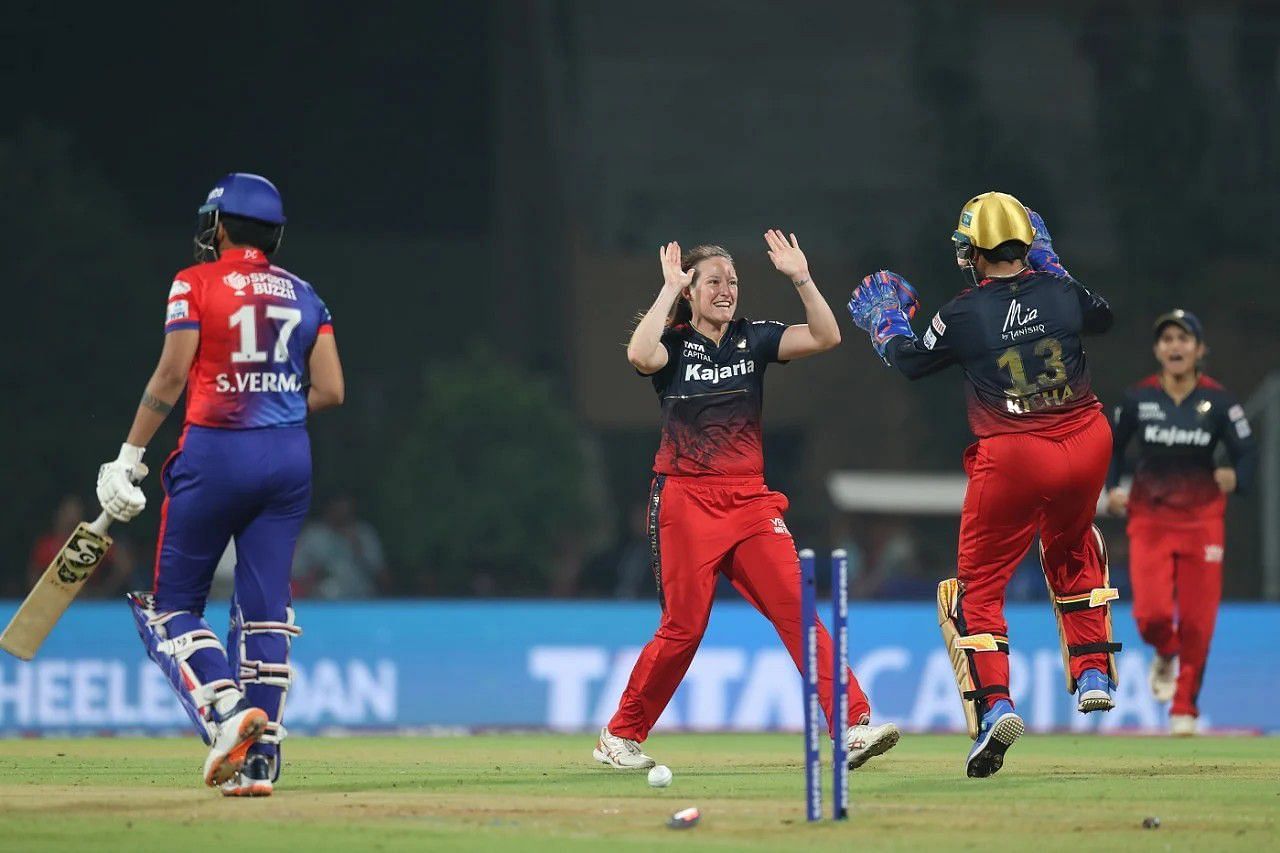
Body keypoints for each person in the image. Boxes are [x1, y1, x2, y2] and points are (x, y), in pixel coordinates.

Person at [594, 232, 901, 771]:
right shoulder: (674, 344)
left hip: (751, 503)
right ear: (691, 289)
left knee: (801, 613)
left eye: (732, 281)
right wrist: (669, 290)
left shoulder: (753, 338)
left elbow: (826, 336)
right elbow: (639, 355)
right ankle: (620, 736)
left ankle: (853, 725)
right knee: (683, 628)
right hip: (685, 500)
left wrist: (801, 277)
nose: (727, 290)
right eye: (714, 281)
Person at [847, 192, 1119, 777]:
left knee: (977, 588)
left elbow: (913, 361)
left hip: (1017, 451)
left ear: (973, 250)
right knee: (1073, 545)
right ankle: (1093, 668)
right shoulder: (1062, 291)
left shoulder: (966, 312)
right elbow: (1103, 316)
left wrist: (884, 319)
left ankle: (994, 706)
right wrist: (1054, 264)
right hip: (1089, 440)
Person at [93, 173, 344, 796]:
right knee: (264, 608)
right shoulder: (308, 295)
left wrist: (128, 455)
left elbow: (173, 373)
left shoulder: (194, 281)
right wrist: (276, 407)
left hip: (214, 453)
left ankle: (229, 712)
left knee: (171, 606)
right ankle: (259, 763)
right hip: (288, 459)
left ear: (219, 227)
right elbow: (333, 391)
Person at [1105, 310, 1256, 735]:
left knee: (1197, 621)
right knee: (1150, 616)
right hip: (1150, 519)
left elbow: (1247, 453)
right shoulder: (1138, 399)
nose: (1175, 346)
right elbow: (1112, 447)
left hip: (1203, 521)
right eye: (1167, 339)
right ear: (1157, 350)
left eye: (1183, 339)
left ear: (1199, 349)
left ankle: (1184, 706)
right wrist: (1113, 488)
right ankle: (1166, 653)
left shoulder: (1221, 402)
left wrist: (1236, 478)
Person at [292, 495, 388, 599]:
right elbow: (295, 570)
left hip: (361, 599)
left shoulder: (364, 533)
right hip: (322, 601)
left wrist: (358, 549)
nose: (342, 514)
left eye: (346, 511)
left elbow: (380, 573)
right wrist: (313, 574)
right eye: (338, 509)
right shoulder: (313, 534)